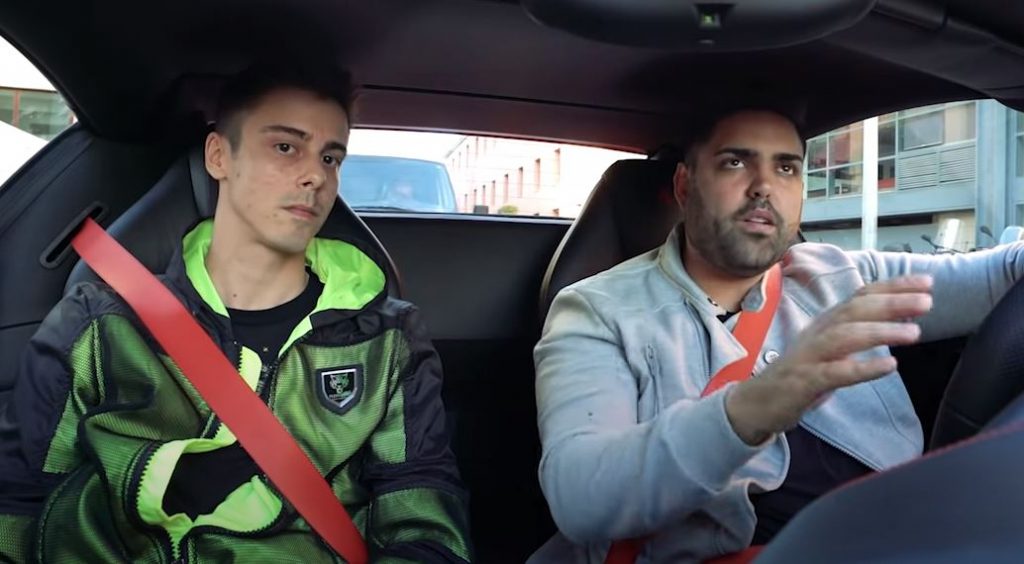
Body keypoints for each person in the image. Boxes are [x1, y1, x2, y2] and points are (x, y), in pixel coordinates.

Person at [0, 64, 472, 563]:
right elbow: (20, 502)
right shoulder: (99, 324)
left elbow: (421, 512)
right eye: (285, 147)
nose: (316, 175)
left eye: (330, 157)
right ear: (219, 156)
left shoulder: (386, 338)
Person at [530, 108, 1024, 563]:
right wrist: (756, 405)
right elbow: (582, 497)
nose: (764, 185)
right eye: (734, 163)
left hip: (907, 537)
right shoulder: (596, 310)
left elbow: (1002, 276)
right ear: (684, 185)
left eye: (786, 168)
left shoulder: (839, 274)